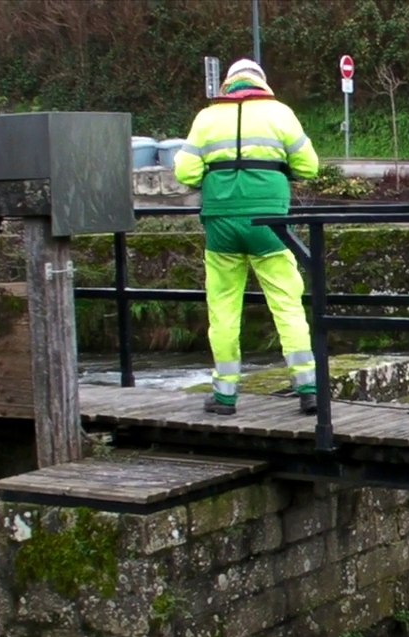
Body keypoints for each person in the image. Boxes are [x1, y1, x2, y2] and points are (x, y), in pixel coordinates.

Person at [173, 58, 321, 416]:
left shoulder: (207, 118)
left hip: (221, 224)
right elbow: (309, 167)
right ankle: (309, 389)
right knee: (287, 304)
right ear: (262, 84)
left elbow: (184, 172)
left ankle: (225, 396)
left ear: (228, 85)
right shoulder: (280, 114)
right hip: (270, 224)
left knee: (223, 309)